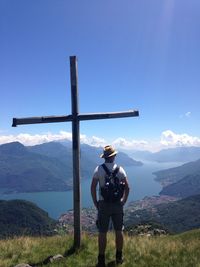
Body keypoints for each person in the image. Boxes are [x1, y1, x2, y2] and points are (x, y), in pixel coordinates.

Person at [91, 145, 130, 267]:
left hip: (104, 205)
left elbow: (92, 187)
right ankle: (119, 257)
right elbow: (128, 188)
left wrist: (96, 203)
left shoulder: (99, 169)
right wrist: (123, 201)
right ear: (114, 156)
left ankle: (101, 260)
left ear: (104, 157)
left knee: (102, 232)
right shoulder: (120, 169)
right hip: (117, 205)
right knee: (119, 231)